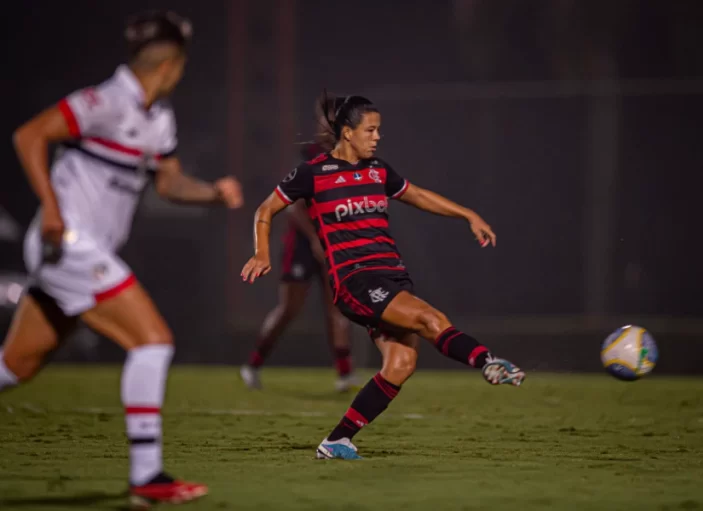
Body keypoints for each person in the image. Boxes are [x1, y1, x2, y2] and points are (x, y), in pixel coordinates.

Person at [0, 10, 242, 505]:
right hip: (68, 244)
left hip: (82, 250)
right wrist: (50, 209)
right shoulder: (106, 101)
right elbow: (29, 136)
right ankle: (147, 477)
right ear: (171, 64)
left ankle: (147, 478)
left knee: (16, 366)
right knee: (153, 341)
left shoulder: (159, 117)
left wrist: (213, 194)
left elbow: (170, 183)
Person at [241, 94, 525, 460]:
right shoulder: (313, 173)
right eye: (370, 130)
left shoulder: (378, 170)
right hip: (355, 280)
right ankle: (487, 361)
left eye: (379, 130)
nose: (377, 137)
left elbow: (418, 195)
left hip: (391, 277)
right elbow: (265, 209)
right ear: (347, 132)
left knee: (401, 364)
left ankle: (337, 441)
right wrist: (261, 251)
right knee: (430, 318)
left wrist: (467, 214)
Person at [240, 95, 358, 392]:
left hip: (332, 243)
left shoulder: (353, 158)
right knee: (289, 309)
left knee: (337, 309)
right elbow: (295, 208)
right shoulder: (308, 157)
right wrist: (316, 240)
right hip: (303, 243)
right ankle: (252, 365)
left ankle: (345, 374)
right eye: (322, 117)